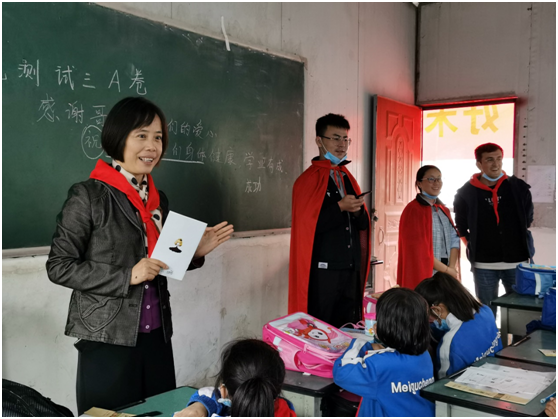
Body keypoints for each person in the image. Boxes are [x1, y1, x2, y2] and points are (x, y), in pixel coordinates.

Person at [46, 97, 234, 414]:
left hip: (157, 336)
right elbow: (59, 266)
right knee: (109, 415)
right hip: (107, 337)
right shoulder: (89, 195)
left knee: (161, 410)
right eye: (142, 135)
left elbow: (160, 262)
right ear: (118, 138)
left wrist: (193, 254)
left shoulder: (158, 200)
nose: (152, 146)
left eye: (158, 137)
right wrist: (127, 276)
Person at [288, 113, 371, 328]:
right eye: (335, 138)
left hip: (350, 269)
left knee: (349, 328)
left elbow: (362, 226)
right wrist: (340, 207)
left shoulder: (346, 177)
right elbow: (308, 228)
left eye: (345, 139)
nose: (342, 145)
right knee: (321, 328)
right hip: (324, 272)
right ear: (319, 141)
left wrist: (358, 212)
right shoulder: (307, 180)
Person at [453, 143, 534, 316]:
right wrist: (474, 246)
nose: (496, 164)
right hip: (484, 263)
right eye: (489, 160)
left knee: (518, 311)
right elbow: (461, 227)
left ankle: (516, 337)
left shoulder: (518, 187)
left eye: (499, 159)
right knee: (487, 310)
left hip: (517, 261)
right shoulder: (466, 193)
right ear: (479, 164)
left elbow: (528, 219)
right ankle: (491, 335)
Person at [333, 288, 435, 417]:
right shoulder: (424, 355)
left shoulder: (378, 365)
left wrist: (359, 344)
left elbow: (341, 373)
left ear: (381, 327)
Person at [174, 339, 296, 417]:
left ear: (223, 390)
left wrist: (199, 406)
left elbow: (210, 394)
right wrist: (201, 405)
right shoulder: (286, 409)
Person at [415, 272, 503, 379]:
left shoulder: (450, 345)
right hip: (499, 374)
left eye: (428, 317)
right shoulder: (485, 311)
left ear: (437, 310)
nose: (430, 322)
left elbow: (443, 385)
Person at [397, 165, 460, 289]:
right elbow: (420, 250)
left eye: (439, 179)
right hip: (425, 270)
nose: (436, 183)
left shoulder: (443, 210)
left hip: (446, 268)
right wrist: (447, 271)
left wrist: (452, 267)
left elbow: (454, 239)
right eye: (431, 179)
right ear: (419, 183)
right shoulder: (413, 210)